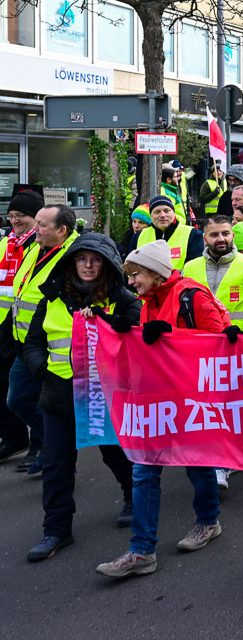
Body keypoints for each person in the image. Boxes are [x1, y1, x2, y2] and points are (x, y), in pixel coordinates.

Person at [96, 240, 231, 578]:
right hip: (157, 399)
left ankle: (208, 521)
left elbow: (220, 345)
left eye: (136, 274)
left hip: (191, 398)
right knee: (144, 469)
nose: (131, 282)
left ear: (155, 272)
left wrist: (171, 334)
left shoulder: (193, 295)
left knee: (196, 464)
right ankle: (142, 550)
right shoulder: (146, 302)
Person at [23, 233, 137, 562]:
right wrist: (42, 369)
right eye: (81, 259)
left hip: (105, 397)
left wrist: (108, 322)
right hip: (59, 397)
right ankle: (56, 530)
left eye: (96, 259)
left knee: (115, 454)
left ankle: (131, 495)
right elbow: (32, 344)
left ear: (107, 264)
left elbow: (137, 338)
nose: (88, 265)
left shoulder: (122, 299)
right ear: (72, 262)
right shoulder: (52, 299)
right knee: (56, 466)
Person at [4, 203, 79, 477]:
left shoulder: (74, 255)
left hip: (56, 349)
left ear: (61, 230)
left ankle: (53, 451)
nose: (35, 229)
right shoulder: (37, 248)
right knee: (18, 400)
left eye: (42, 225)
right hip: (25, 344)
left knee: (52, 408)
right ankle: (49, 444)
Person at [0, 191, 44, 465]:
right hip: (3, 326)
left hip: (26, 329)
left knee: (28, 394)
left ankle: (42, 444)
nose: (15, 221)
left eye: (21, 216)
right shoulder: (6, 243)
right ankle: (15, 437)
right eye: (12, 216)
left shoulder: (38, 246)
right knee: (5, 390)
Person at [129, 195, 204, 271]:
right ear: (151, 216)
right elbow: (131, 269)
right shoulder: (138, 237)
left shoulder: (192, 234)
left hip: (181, 282)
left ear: (174, 213)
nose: (162, 215)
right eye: (157, 212)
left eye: (166, 211)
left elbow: (195, 269)